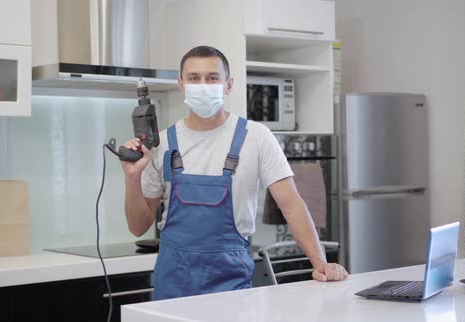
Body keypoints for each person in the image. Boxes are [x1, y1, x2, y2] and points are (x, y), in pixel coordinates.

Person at [120, 45, 348, 300]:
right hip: (172, 291)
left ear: (228, 85)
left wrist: (320, 263)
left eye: (212, 78)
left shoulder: (256, 137)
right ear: (181, 85)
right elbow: (138, 227)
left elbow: (292, 205)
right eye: (194, 78)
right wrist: (132, 179)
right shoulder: (160, 144)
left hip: (232, 292)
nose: (203, 85)